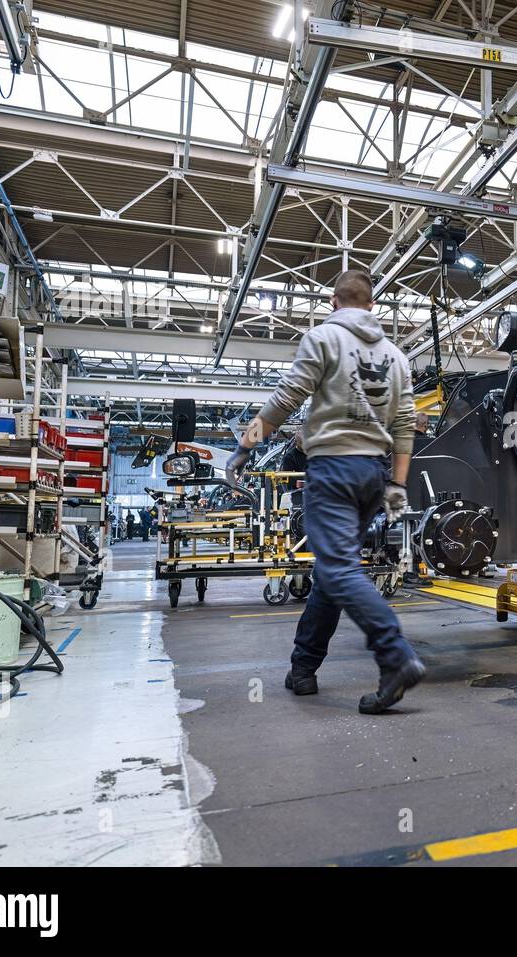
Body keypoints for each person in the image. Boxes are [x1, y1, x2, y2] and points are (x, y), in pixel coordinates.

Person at [226, 269, 424, 715]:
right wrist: (397, 483)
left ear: (334, 302)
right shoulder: (397, 355)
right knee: (333, 575)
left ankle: (396, 657)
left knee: (337, 572)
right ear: (371, 306)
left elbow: (286, 397)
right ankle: (303, 668)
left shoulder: (323, 338)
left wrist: (244, 446)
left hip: (333, 468)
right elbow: (406, 425)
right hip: (373, 474)